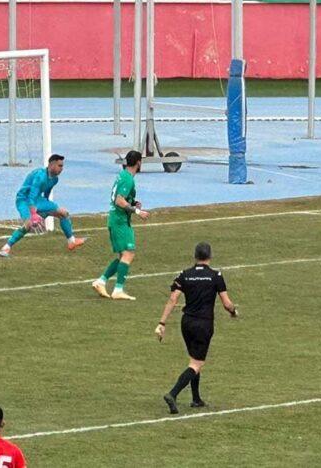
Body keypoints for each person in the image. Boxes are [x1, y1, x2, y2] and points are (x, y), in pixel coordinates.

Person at [156, 242, 238, 414]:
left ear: (195, 256)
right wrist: (233, 311)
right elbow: (226, 303)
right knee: (196, 363)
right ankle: (172, 394)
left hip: (187, 323)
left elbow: (173, 299)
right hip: (203, 324)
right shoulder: (216, 275)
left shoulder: (184, 275)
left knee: (194, 358)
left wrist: (162, 322)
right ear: (210, 256)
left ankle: (196, 399)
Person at [0, 154, 86, 257]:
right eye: (60, 166)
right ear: (52, 165)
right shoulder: (40, 177)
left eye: (62, 166)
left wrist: (47, 205)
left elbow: (47, 191)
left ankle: (71, 241)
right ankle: (6, 248)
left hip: (38, 199)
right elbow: (31, 196)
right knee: (29, 225)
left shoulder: (55, 179)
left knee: (64, 213)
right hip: (24, 199)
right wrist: (34, 214)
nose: (62, 169)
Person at [91, 150, 150, 300]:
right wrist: (137, 211)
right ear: (138, 162)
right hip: (119, 221)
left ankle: (101, 281)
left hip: (116, 219)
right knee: (129, 253)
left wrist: (133, 203)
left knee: (123, 255)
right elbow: (119, 200)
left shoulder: (123, 176)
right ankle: (117, 289)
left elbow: (122, 199)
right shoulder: (128, 179)